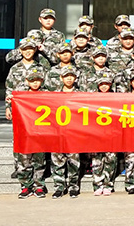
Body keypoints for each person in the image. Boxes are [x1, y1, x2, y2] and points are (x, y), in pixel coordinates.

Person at [8, 67, 47, 199]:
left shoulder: (46, 94)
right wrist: (10, 102)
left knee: (39, 161)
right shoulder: (21, 95)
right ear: (27, 81)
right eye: (32, 80)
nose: (35, 83)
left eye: (37, 80)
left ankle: (39, 186)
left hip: (40, 133)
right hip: (25, 132)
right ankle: (25, 186)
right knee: (24, 161)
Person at [50, 65, 81, 199]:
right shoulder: (54, 95)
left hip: (74, 132)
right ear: (61, 78)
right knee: (57, 161)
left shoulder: (81, 94)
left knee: (73, 162)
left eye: (71, 76)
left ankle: (73, 187)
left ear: (75, 78)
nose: (69, 79)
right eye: (66, 76)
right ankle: (59, 187)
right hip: (58, 132)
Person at [92, 72, 117, 196]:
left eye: (106, 84)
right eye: (101, 84)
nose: (104, 86)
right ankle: (97, 184)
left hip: (111, 133)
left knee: (110, 159)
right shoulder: (92, 98)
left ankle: (108, 184)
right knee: (97, 160)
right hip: (96, 133)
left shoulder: (115, 98)